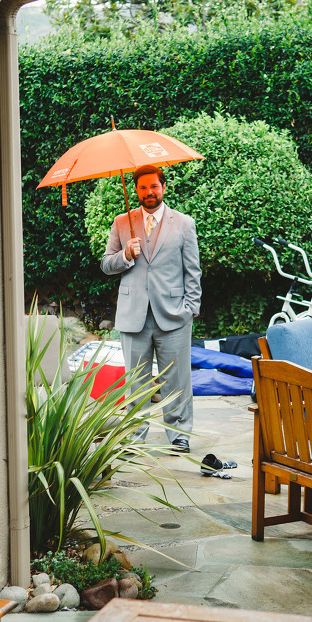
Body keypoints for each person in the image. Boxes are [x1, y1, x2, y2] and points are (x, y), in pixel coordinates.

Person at [99, 164, 201, 453]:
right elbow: (106, 265)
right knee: (136, 381)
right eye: (142, 188)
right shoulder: (122, 222)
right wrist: (125, 255)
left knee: (177, 378)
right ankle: (135, 434)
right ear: (137, 191)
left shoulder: (183, 223)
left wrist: (190, 308)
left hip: (174, 315)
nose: (148, 193)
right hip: (133, 315)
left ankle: (179, 434)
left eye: (153, 186)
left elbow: (193, 271)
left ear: (163, 187)